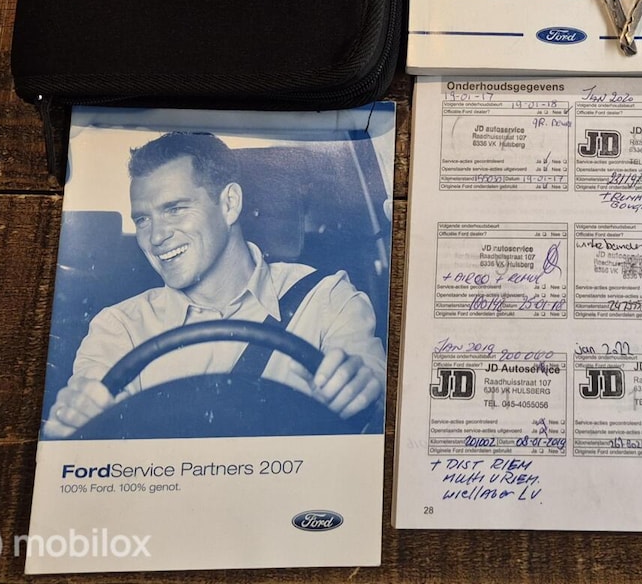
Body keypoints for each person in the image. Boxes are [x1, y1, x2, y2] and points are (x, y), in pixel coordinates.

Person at [44, 131, 386, 438]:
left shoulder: (325, 298)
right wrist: (78, 417)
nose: (156, 237)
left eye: (175, 209)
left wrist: (361, 387)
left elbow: (372, 384)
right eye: (143, 219)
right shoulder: (119, 327)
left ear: (229, 204)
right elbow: (90, 405)